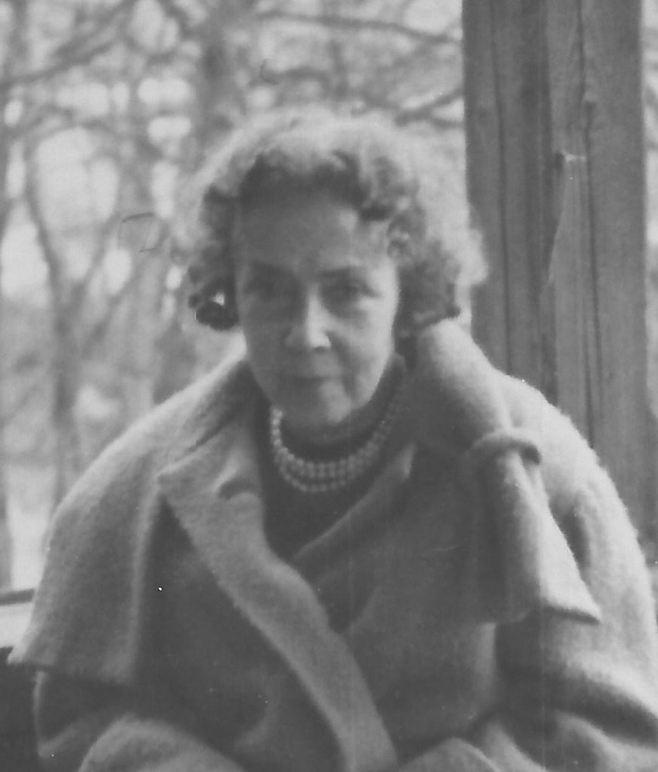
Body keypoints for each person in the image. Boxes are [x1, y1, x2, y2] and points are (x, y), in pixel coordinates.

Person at [11, 111, 658, 772]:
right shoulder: (135, 491)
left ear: (409, 294)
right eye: (269, 290)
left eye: (346, 292)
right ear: (229, 291)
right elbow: (80, 716)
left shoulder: (533, 470)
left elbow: (607, 729)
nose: (305, 333)